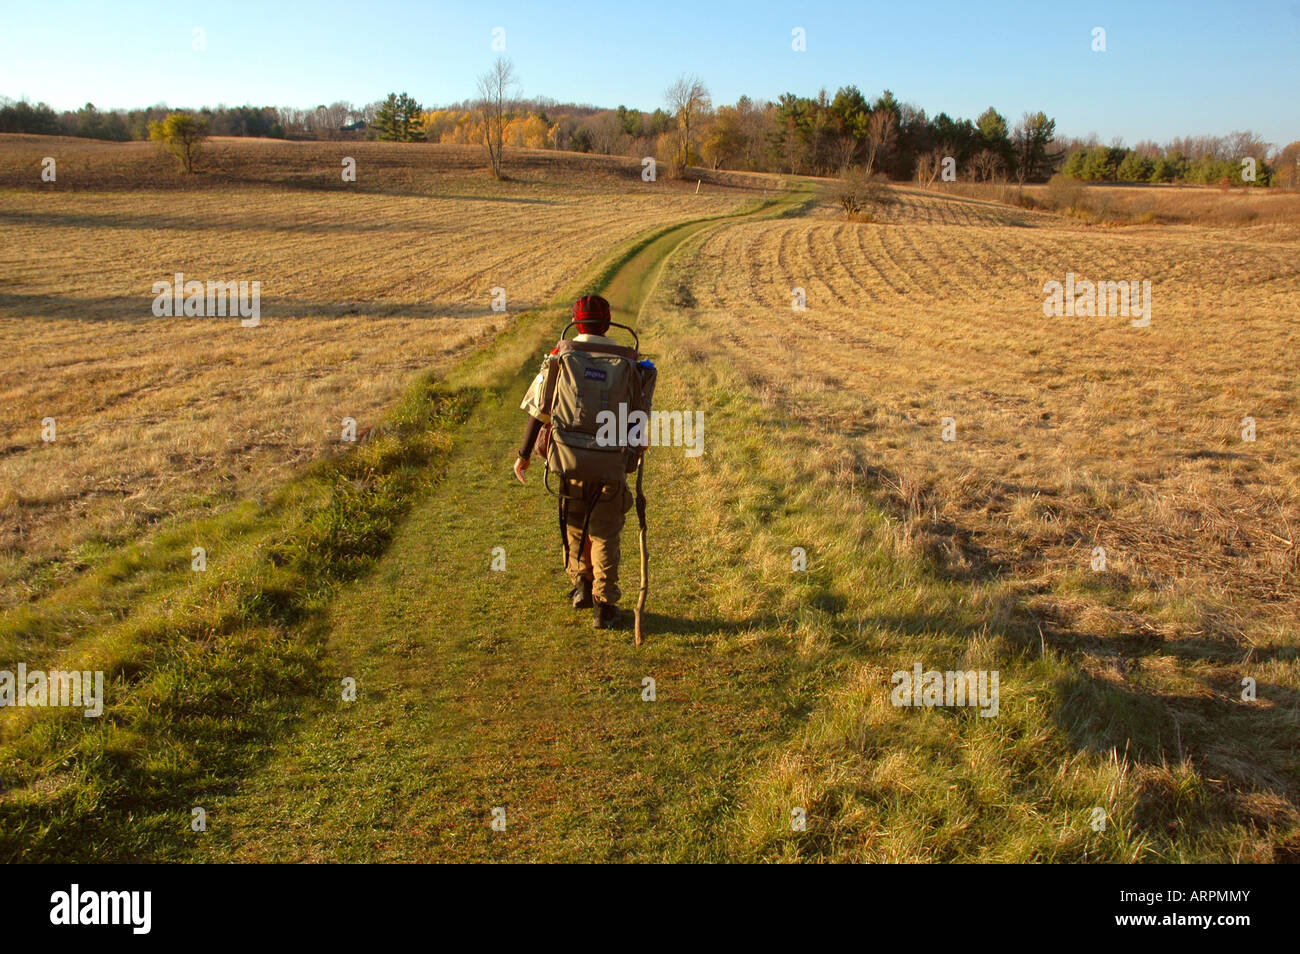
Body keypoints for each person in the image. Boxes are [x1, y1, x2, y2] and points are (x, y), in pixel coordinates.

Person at [514, 295, 635, 629]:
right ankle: (605, 605)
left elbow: (539, 410)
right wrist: (632, 458)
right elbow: (638, 416)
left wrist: (523, 456)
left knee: (574, 521)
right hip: (610, 459)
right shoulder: (627, 361)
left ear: (577, 322)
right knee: (606, 531)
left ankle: (580, 584)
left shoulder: (562, 357)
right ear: (608, 323)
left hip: (568, 456)